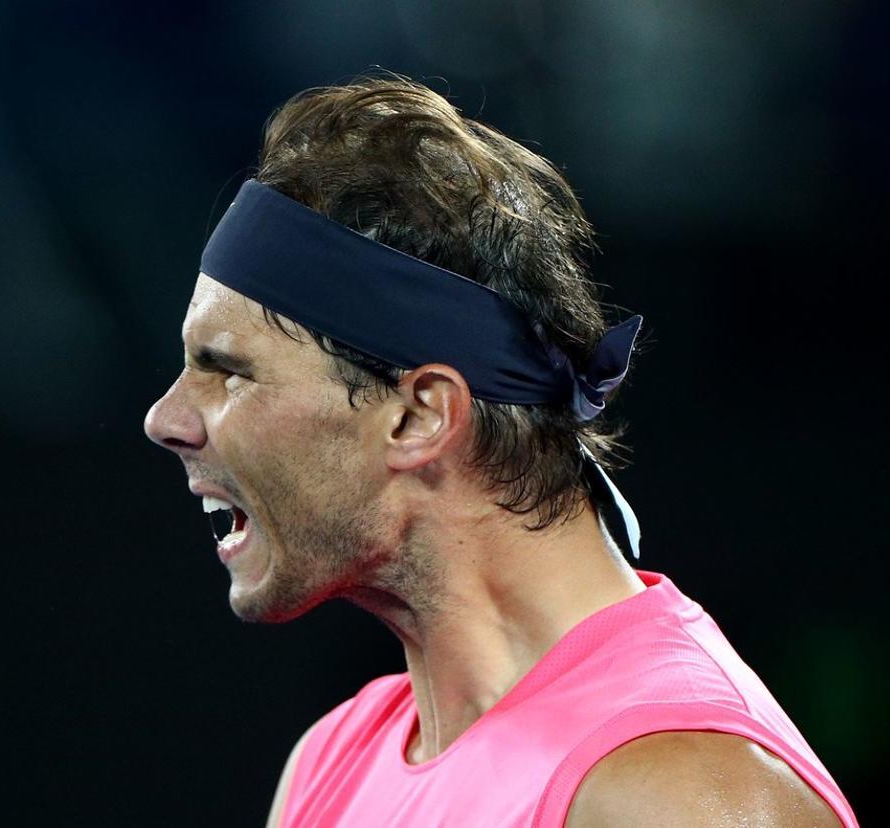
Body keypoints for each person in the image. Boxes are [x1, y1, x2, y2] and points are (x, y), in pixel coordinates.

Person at [143, 76, 857, 827]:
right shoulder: (329, 761)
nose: (167, 418)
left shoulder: (680, 795)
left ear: (419, 416)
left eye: (229, 370)